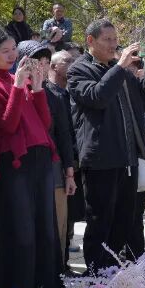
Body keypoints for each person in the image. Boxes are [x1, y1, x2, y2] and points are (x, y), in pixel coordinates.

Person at [68, 19, 145, 271]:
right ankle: (96, 274)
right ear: (90, 40)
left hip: (127, 156)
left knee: (125, 218)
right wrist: (120, 67)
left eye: (115, 39)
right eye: (107, 40)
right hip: (100, 158)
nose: (114, 45)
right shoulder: (79, 70)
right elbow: (97, 97)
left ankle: (115, 270)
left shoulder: (118, 69)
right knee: (100, 219)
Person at [0, 29, 62, 288]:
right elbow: (8, 124)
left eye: (13, 49)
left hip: (40, 159)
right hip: (14, 163)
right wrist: (18, 86)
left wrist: (37, 87)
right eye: (4, 51)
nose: (12, 55)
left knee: (45, 228)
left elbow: (45, 123)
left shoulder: (20, 78)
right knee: (21, 231)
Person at [46, 49, 84, 258]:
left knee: (69, 217)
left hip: (71, 162)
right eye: (68, 61)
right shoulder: (48, 93)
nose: (73, 64)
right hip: (55, 164)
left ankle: (64, 261)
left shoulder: (70, 94)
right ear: (53, 66)